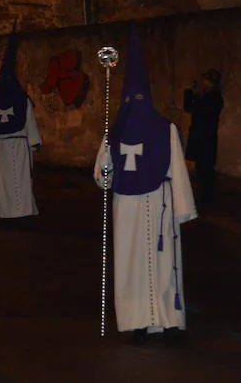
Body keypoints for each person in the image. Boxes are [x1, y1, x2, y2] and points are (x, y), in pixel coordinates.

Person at [94, 28, 197, 345]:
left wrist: (107, 170)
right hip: (154, 205)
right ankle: (157, 321)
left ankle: (149, 321)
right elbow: (177, 171)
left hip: (131, 209)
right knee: (151, 266)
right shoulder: (162, 127)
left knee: (135, 265)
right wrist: (183, 209)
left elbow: (102, 177)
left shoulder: (117, 129)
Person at [0, 37, 41, 222]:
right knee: (8, 182)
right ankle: (6, 212)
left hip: (8, 146)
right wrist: (34, 142)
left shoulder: (19, 99)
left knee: (16, 182)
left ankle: (18, 213)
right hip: (5, 146)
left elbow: (28, 119)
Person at [183, 69, 223, 209]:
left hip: (204, 140)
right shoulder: (212, 97)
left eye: (205, 80)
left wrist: (188, 92)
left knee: (205, 171)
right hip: (206, 139)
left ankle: (206, 202)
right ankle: (206, 200)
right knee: (204, 170)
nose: (202, 83)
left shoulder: (212, 98)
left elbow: (190, 107)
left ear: (209, 81)